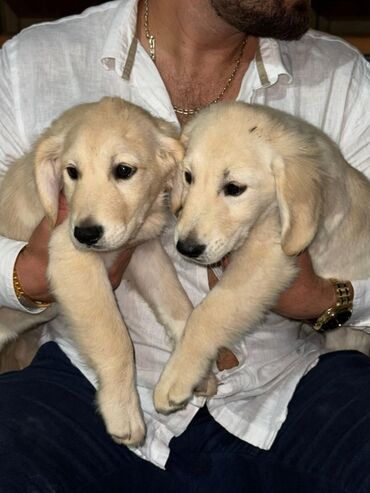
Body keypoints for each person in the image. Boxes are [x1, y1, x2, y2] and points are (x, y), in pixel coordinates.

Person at [0, 0, 369, 491]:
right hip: (80, 386)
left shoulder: (344, 80)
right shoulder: (33, 65)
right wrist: (25, 275)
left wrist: (325, 301)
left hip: (289, 389)